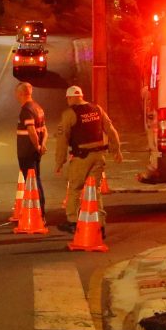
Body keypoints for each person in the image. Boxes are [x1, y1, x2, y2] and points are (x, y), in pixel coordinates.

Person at [54, 85, 122, 233]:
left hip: (81, 157)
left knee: (75, 189)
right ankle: (100, 224)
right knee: (95, 192)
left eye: (67, 99)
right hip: (99, 157)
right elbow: (111, 129)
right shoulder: (97, 109)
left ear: (71, 97)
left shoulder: (69, 113)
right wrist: (116, 149)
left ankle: (72, 221)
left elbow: (62, 140)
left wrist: (59, 162)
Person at [14, 82, 48, 212]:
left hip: (27, 152)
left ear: (21, 94)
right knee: (36, 179)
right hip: (35, 152)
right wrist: (42, 145)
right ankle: (39, 210)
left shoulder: (26, 110)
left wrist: (38, 145)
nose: (16, 96)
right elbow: (45, 130)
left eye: (17, 93)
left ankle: (38, 211)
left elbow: (32, 130)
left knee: (32, 182)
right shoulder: (37, 108)